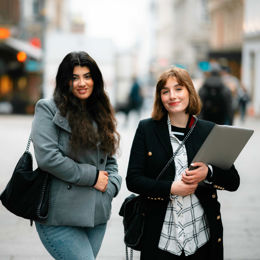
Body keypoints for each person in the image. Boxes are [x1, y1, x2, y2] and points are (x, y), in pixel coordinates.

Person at [126, 67, 240, 260]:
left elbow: (233, 181)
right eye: (165, 91)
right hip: (161, 241)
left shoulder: (208, 130)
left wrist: (208, 172)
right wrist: (171, 188)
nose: (172, 96)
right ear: (159, 97)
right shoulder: (147, 129)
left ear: (189, 91)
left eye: (178, 89)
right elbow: (133, 180)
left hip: (202, 239)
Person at [31, 51, 121, 260]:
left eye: (87, 76)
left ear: (95, 79)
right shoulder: (48, 108)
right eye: (74, 77)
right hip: (59, 217)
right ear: (65, 81)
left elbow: (110, 160)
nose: (82, 83)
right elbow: (48, 158)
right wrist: (93, 177)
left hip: (96, 215)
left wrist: (112, 186)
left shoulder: (100, 111)